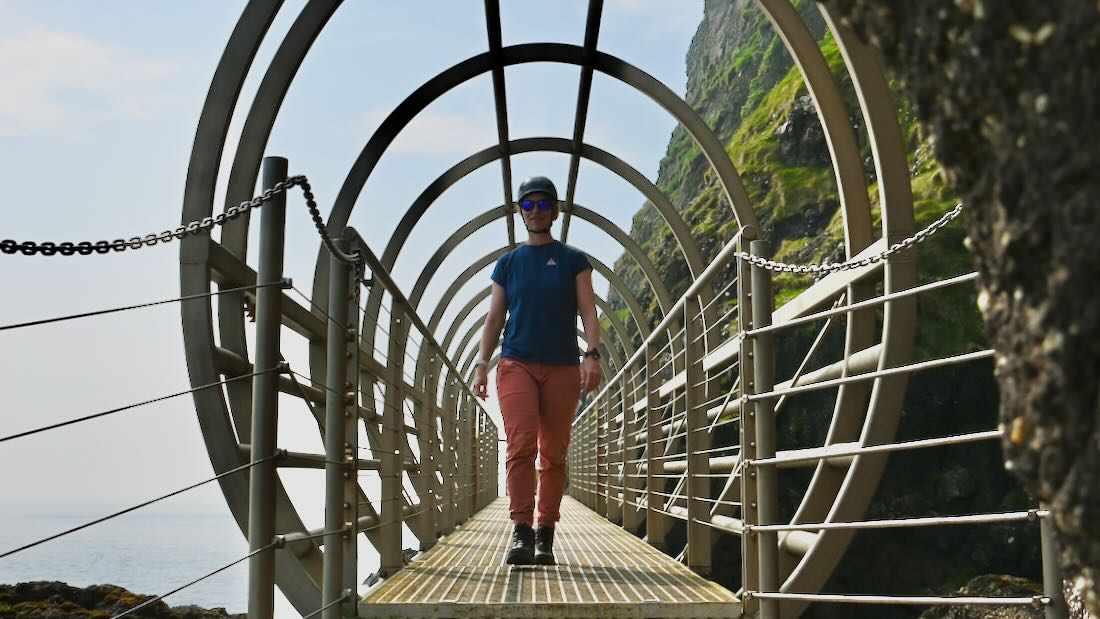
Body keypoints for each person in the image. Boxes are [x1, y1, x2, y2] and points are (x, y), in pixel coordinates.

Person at [472, 175, 602, 566]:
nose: (535, 211)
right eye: (528, 205)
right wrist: (482, 364)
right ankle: (521, 530)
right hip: (515, 364)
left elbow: (588, 310)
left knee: (554, 453)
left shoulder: (573, 260)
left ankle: (546, 533)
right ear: (519, 212)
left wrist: (592, 354)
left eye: (543, 204)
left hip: (563, 367)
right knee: (521, 445)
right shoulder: (507, 264)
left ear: (554, 210)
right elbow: (494, 319)